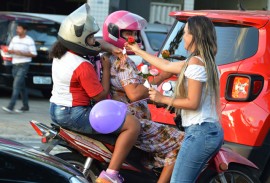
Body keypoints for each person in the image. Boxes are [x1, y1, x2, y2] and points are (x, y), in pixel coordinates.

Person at [125, 15, 224, 183]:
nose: (183, 37)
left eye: (185, 33)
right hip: (210, 131)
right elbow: (166, 66)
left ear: (195, 36)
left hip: (200, 132)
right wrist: (138, 50)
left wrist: (163, 98)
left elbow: (193, 102)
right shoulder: (205, 61)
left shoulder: (195, 63)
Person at [48, 4, 140, 183]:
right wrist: (106, 69)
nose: (93, 41)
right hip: (74, 113)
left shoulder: (62, 53)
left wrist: (111, 48)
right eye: (90, 38)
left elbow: (98, 44)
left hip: (57, 108)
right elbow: (100, 95)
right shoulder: (83, 66)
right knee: (132, 125)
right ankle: (111, 174)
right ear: (81, 40)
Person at [102, 10, 184, 183]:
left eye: (134, 33)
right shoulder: (122, 62)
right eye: (128, 33)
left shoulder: (109, 56)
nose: (132, 38)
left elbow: (135, 88)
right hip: (134, 122)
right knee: (183, 141)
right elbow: (135, 93)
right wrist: (162, 77)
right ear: (115, 33)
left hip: (124, 118)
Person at [2, 23, 37, 113]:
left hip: (24, 64)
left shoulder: (29, 40)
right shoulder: (15, 39)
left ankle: (11, 106)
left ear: (25, 30)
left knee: (16, 85)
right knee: (22, 86)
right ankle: (25, 106)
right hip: (15, 64)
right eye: (17, 29)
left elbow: (34, 54)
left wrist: (21, 53)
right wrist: (11, 51)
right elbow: (9, 50)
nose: (17, 30)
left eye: (19, 29)